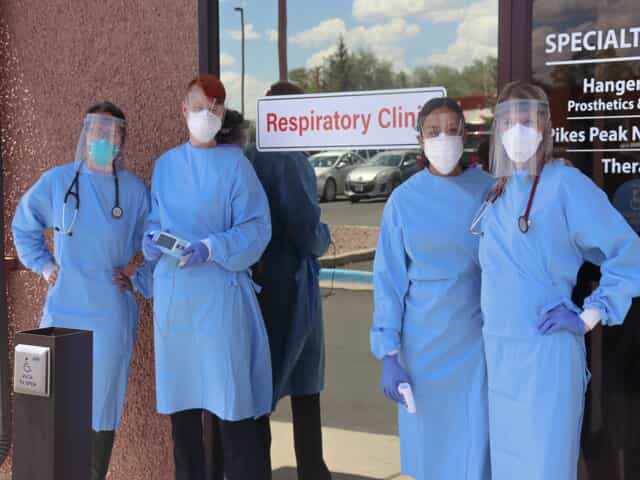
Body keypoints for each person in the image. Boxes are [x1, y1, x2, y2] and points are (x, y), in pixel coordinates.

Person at [473, 81, 640, 479]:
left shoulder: (566, 185)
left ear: (546, 124)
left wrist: (589, 316)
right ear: (497, 128)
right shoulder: (498, 193)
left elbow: (629, 253)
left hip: (546, 358)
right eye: (509, 119)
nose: (517, 128)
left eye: (527, 118)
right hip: (500, 361)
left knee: (545, 467)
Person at [12, 102, 154, 480]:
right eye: (96, 131)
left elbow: (158, 246)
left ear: (122, 139)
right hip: (62, 313)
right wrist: (44, 265)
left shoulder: (136, 192)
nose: (103, 138)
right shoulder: (58, 182)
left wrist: (137, 276)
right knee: (53, 408)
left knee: (99, 410)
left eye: (112, 132)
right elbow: (23, 226)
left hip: (110, 316)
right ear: (85, 135)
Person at [143, 74, 273, 480]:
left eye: (214, 107)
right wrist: (151, 240)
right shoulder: (165, 166)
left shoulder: (236, 165)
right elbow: (156, 219)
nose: (206, 114)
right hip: (176, 307)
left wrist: (212, 247)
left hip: (220, 303)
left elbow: (256, 228)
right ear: (183, 110)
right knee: (183, 420)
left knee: (232, 410)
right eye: (199, 106)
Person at [371, 97, 493, 480]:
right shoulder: (404, 200)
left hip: (479, 344)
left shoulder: (491, 191)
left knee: (477, 447)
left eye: (453, 130)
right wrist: (388, 353)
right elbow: (389, 282)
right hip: (423, 349)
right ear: (419, 138)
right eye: (434, 131)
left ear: (466, 134)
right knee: (431, 453)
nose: (444, 138)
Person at [245, 81, 332, 480]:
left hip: (257, 284)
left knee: (260, 387)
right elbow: (307, 230)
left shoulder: (248, 155)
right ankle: (312, 470)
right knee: (304, 387)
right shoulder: (289, 158)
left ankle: (256, 468)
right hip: (292, 285)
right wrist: (324, 237)